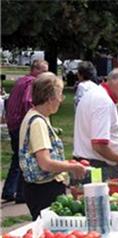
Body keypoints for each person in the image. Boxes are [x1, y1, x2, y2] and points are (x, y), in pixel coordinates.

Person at [19, 72, 87, 220]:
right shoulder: (38, 123)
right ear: (50, 99)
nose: (61, 100)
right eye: (60, 95)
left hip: (39, 188)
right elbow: (45, 163)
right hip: (43, 189)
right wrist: (72, 167)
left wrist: (67, 163)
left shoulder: (35, 116)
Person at [73, 68, 118, 180]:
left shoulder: (95, 94)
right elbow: (99, 145)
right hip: (97, 168)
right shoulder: (103, 102)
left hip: (90, 163)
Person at [2, 60, 48, 203]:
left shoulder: (21, 81)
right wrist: (35, 119)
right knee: (24, 158)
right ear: (35, 69)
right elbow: (28, 102)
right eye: (43, 71)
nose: (44, 74)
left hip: (13, 123)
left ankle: (9, 190)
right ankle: (21, 193)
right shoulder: (32, 83)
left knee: (17, 158)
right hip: (21, 124)